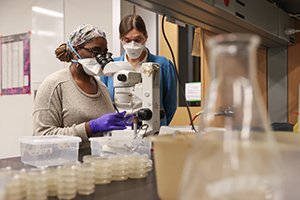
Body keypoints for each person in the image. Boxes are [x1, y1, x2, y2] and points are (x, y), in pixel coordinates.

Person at [33, 24, 130, 157]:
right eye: (95, 51)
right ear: (75, 51)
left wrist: (122, 124)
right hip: (67, 167)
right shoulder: (54, 85)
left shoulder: (102, 87)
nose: (100, 57)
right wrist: (90, 127)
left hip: (97, 164)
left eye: (104, 52)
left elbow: (105, 135)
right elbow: (42, 137)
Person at [101, 14, 177, 125]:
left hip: (152, 129)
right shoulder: (110, 67)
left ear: (146, 36)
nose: (132, 45)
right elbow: (105, 103)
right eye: (127, 40)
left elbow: (170, 106)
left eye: (137, 39)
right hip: (119, 130)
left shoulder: (163, 65)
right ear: (121, 39)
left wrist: (158, 124)